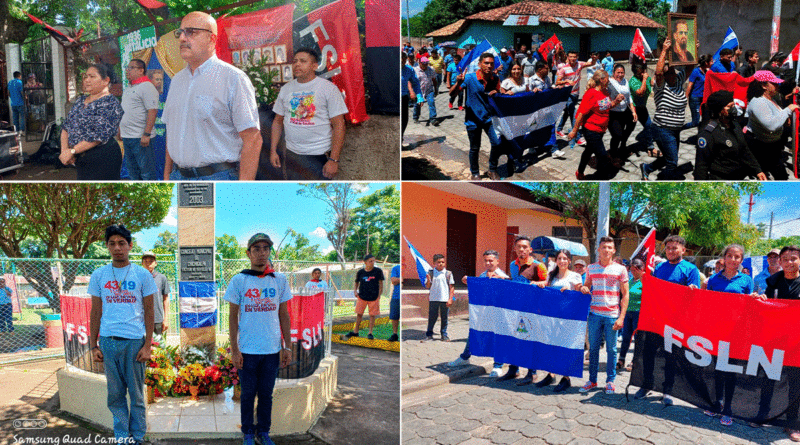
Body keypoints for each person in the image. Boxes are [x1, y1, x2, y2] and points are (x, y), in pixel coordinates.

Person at [162, 11, 262, 180]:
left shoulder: (233, 78)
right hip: (178, 177)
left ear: (212, 39)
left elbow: (252, 138)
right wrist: (166, 177)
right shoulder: (177, 80)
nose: (182, 39)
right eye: (180, 33)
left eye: (191, 32)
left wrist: (243, 188)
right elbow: (172, 132)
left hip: (218, 177)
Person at [88, 224, 156, 444]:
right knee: (115, 396)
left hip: (134, 343)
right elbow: (96, 311)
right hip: (108, 342)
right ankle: (122, 437)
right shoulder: (99, 275)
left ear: (130, 245)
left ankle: (138, 436)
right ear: (107, 246)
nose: (117, 248)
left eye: (121, 243)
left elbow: (149, 311)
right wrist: (93, 346)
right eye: (112, 243)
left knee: (136, 396)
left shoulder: (142, 275)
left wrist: (147, 346)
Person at [224, 233, 292, 445]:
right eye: (256, 249)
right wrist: (234, 350)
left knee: (266, 395)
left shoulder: (279, 280)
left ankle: (263, 432)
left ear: (269, 252)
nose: (261, 253)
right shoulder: (239, 280)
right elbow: (233, 317)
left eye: (265, 248)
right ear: (248, 253)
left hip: (272, 351)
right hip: (248, 352)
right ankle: (247, 432)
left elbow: (284, 315)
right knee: (247, 395)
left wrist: (287, 346)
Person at [634, 235, 700, 404]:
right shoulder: (660, 268)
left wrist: (693, 290)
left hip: (676, 322)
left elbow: (696, 295)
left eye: (674, 248)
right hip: (656, 321)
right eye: (668, 248)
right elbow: (653, 291)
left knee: (671, 358)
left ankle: (668, 390)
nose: (671, 251)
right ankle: (646, 385)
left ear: (683, 250)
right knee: (648, 354)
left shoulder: (690, 269)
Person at [271, 48, 348, 180]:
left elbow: (339, 124)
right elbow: (278, 121)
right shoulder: (286, 89)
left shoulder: (328, 88)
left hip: (319, 155)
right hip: (292, 154)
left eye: (303, 61)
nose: (297, 64)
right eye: (295, 61)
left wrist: (333, 160)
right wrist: (273, 151)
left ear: (314, 66)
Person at [702, 244, 753, 426]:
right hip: (717, 331)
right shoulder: (714, 279)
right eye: (729, 256)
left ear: (741, 260)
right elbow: (707, 303)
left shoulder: (746, 281)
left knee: (731, 371)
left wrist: (757, 299)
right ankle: (716, 403)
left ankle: (728, 408)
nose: (733, 260)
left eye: (737, 257)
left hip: (736, 333)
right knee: (717, 370)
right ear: (724, 258)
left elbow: (750, 307)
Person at [755, 246, 800, 441]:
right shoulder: (772, 281)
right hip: (775, 339)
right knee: (769, 378)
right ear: (780, 262)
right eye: (785, 259)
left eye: (794, 259)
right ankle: (763, 414)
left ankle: (792, 424)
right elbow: (766, 307)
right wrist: (761, 299)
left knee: (795, 384)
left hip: (797, 343)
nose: (789, 263)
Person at [578, 236, 629, 394]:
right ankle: (592, 380)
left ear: (613, 250)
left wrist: (621, 318)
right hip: (594, 314)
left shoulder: (620, 269)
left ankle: (610, 381)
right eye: (603, 247)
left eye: (609, 247)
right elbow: (586, 286)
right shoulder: (591, 268)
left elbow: (625, 294)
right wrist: (583, 288)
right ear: (598, 250)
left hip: (612, 315)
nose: (606, 250)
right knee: (593, 349)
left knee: (612, 350)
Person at [448, 250, 508, 375]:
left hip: (499, 315)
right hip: (483, 314)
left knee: (498, 339)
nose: (488, 263)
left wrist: (502, 280)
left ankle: (498, 366)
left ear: (497, 261)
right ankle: (465, 357)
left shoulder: (504, 276)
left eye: (491, 260)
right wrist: (469, 281)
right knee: (473, 334)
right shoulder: (482, 276)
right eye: (486, 260)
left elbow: (509, 291)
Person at [60, 63, 124, 180]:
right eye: (85, 77)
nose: (87, 80)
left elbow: (98, 136)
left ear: (106, 81)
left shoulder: (111, 103)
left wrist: (73, 150)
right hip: (80, 158)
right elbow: (66, 127)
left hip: (102, 157)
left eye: (92, 77)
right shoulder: (80, 101)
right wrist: (65, 151)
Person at [498, 236, 548, 384]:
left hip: (533, 310)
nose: (522, 249)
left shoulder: (539, 266)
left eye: (525, 247)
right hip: (515, 309)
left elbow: (547, 282)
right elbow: (514, 283)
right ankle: (514, 370)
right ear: (515, 249)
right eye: (519, 246)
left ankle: (532, 373)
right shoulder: (513, 265)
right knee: (513, 339)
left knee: (530, 341)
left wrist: (539, 283)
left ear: (530, 249)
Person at [533, 249, 582, 392]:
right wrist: (540, 284)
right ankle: (551, 374)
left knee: (564, 347)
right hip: (551, 317)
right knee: (550, 346)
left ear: (570, 261)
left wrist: (571, 289)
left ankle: (566, 378)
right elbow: (547, 286)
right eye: (559, 258)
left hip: (567, 319)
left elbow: (580, 289)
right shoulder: (552, 275)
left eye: (565, 258)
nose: (562, 261)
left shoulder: (575, 276)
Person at [449, 53, 503, 180]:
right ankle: (475, 173)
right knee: (475, 148)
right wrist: (458, 83)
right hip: (473, 120)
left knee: (496, 143)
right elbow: (452, 94)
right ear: (479, 64)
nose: (489, 66)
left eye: (491, 63)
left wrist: (497, 93)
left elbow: (500, 96)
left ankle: (492, 170)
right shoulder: (469, 78)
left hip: (489, 119)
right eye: (486, 63)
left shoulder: (495, 79)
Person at [640, 40, 688, 180]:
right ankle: (662, 182)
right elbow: (659, 72)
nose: (673, 74)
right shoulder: (661, 86)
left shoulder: (678, 82)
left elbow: (691, 66)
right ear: (664, 76)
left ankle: (646, 168)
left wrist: (693, 48)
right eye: (669, 72)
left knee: (668, 157)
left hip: (675, 130)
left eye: (674, 71)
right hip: (663, 129)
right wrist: (664, 51)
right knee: (672, 162)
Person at [694, 90, 764, 180]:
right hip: (721, 179)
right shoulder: (708, 133)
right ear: (719, 109)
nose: (733, 109)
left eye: (733, 105)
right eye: (729, 106)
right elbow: (701, 165)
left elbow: (744, 149)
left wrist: (757, 170)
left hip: (738, 176)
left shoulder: (735, 124)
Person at [569, 70, 624, 180]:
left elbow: (607, 106)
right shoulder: (591, 94)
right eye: (607, 78)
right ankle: (600, 178)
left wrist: (616, 101)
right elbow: (581, 113)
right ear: (601, 80)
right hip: (591, 129)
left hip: (601, 130)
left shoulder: (605, 92)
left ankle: (579, 172)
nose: (609, 80)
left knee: (589, 150)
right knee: (602, 156)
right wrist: (574, 131)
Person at [744, 70, 800, 180]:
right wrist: (787, 111)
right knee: (771, 177)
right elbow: (771, 125)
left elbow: (775, 115)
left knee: (778, 176)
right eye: (774, 83)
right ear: (764, 85)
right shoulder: (758, 102)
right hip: (761, 146)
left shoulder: (770, 99)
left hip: (771, 145)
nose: (777, 85)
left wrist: (784, 117)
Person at [120, 58, 159, 180]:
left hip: (140, 138)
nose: (128, 70)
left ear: (141, 70)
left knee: (146, 173)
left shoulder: (147, 86)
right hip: (127, 137)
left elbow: (152, 110)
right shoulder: (129, 88)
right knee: (133, 173)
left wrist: (146, 134)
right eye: (127, 67)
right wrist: (119, 130)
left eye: (131, 67)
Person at [555, 50, 595, 147]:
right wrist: (566, 81)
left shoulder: (579, 64)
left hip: (576, 94)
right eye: (571, 56)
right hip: (567, 95)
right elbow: (557, 82)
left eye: (574, 57)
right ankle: (577, 137)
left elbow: (590, 64)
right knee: (574, 114)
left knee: (567, 112)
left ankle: (559, 129)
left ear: (577, 57)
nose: (573, 58)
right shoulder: (563, 69)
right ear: (568, 57)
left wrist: (593, 59)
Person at [343, 255, 384, 340]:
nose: (372, 263)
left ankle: (370, 333)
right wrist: (355, 291)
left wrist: (379, 295)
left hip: (374, 296)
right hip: (362, 296)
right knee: (359, 314)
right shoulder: (360, 272)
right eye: (370, 261)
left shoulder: (378, 271)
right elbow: (356, 282)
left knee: (372, 315)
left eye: (373, 261)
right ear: (365, 262)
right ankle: (355, 331)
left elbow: (380, 284)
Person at [618, 258, 644, 372]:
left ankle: (635, 361)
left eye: (635, 270)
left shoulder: (644, 281)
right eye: (631, 270)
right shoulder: (630, 281)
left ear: (641, 269)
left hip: (638, 312)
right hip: (628, 312)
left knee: (638, 339)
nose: (632, 272)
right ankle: (621, 359)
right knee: (626, 337)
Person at [607, 64, 637, 161]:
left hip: (624, 110)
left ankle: (623, 145)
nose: (620, 75)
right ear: (613, 73)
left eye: (622, 72)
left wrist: (633, 111)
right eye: (618, 73)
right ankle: (613, 153)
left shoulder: (625, 81)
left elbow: (629, 97)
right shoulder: (609, 82)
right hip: (613, 112)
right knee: (617, 135)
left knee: (633, 122)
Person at [424, 254, 455, 341]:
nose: (441, 264)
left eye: (442, 262)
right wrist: (428, 280)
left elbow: (451, 287)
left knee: (444, 318)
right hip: (433, 299)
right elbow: (427, 286)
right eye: (438, 262)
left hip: (444, 299)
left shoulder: (448, 273)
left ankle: (444, 334)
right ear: (434, 263)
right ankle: (429, 334)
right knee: (432, 317)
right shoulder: (431, 273)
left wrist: (450, 299)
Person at [141, 252, 170, 336]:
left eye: (151, 261)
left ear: (155, 263)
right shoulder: (137, 278)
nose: (148, 264)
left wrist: (166, 319)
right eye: (145, 261)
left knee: (158, 346)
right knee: (141, 347)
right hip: (141, 320)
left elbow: (166, 299)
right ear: (142, 263)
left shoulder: (161, 278)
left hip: (157, 320)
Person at [629, 63, 655, 153]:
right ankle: (622, 147)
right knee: (629, 129)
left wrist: (656, 74)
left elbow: (652, 83)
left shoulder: (646, 77)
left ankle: (650, 146)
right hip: (633, 109)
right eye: (638, 74)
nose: (641, 75)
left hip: (642, 107)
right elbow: (640, 92)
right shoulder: (633, 81)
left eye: (642, 72)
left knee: (649, 125)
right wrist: (644, 79)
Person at [684, 54, 713, 131]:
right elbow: (690, 85)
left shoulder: (707, 72)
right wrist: (684, 98)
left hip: (703, 99)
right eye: (711, 61)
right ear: (706, 63)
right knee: (695, 122)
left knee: (705, 119)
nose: (712, 63)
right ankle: (679, 129)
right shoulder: (696, 71)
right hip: (695, 99)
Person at [402, 52, 424, 140]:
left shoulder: (409, 69)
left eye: (403, 59)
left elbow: (415, 84)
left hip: (403, 98)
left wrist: (419, 97)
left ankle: (401, 137)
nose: (401, 61)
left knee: (404, 120)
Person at [413, 57, 439, 126]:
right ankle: (415, 117)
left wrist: (436, 89)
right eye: (423, 63)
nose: (425, 65)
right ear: (419, 63)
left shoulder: (431, 70)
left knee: (431, 102)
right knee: (417, 105)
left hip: (429, 90)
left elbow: (434, 80)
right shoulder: (415, 70)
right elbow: (412, 81)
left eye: (426, 63)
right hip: (419, 91)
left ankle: (433, 118)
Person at [389, 264, 400, 342]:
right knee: (394, 317)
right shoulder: (396, 268)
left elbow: (396, 280)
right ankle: (395, 334)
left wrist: (398, 279)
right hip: (396, 296)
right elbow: (393, 281)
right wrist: (400, 279)